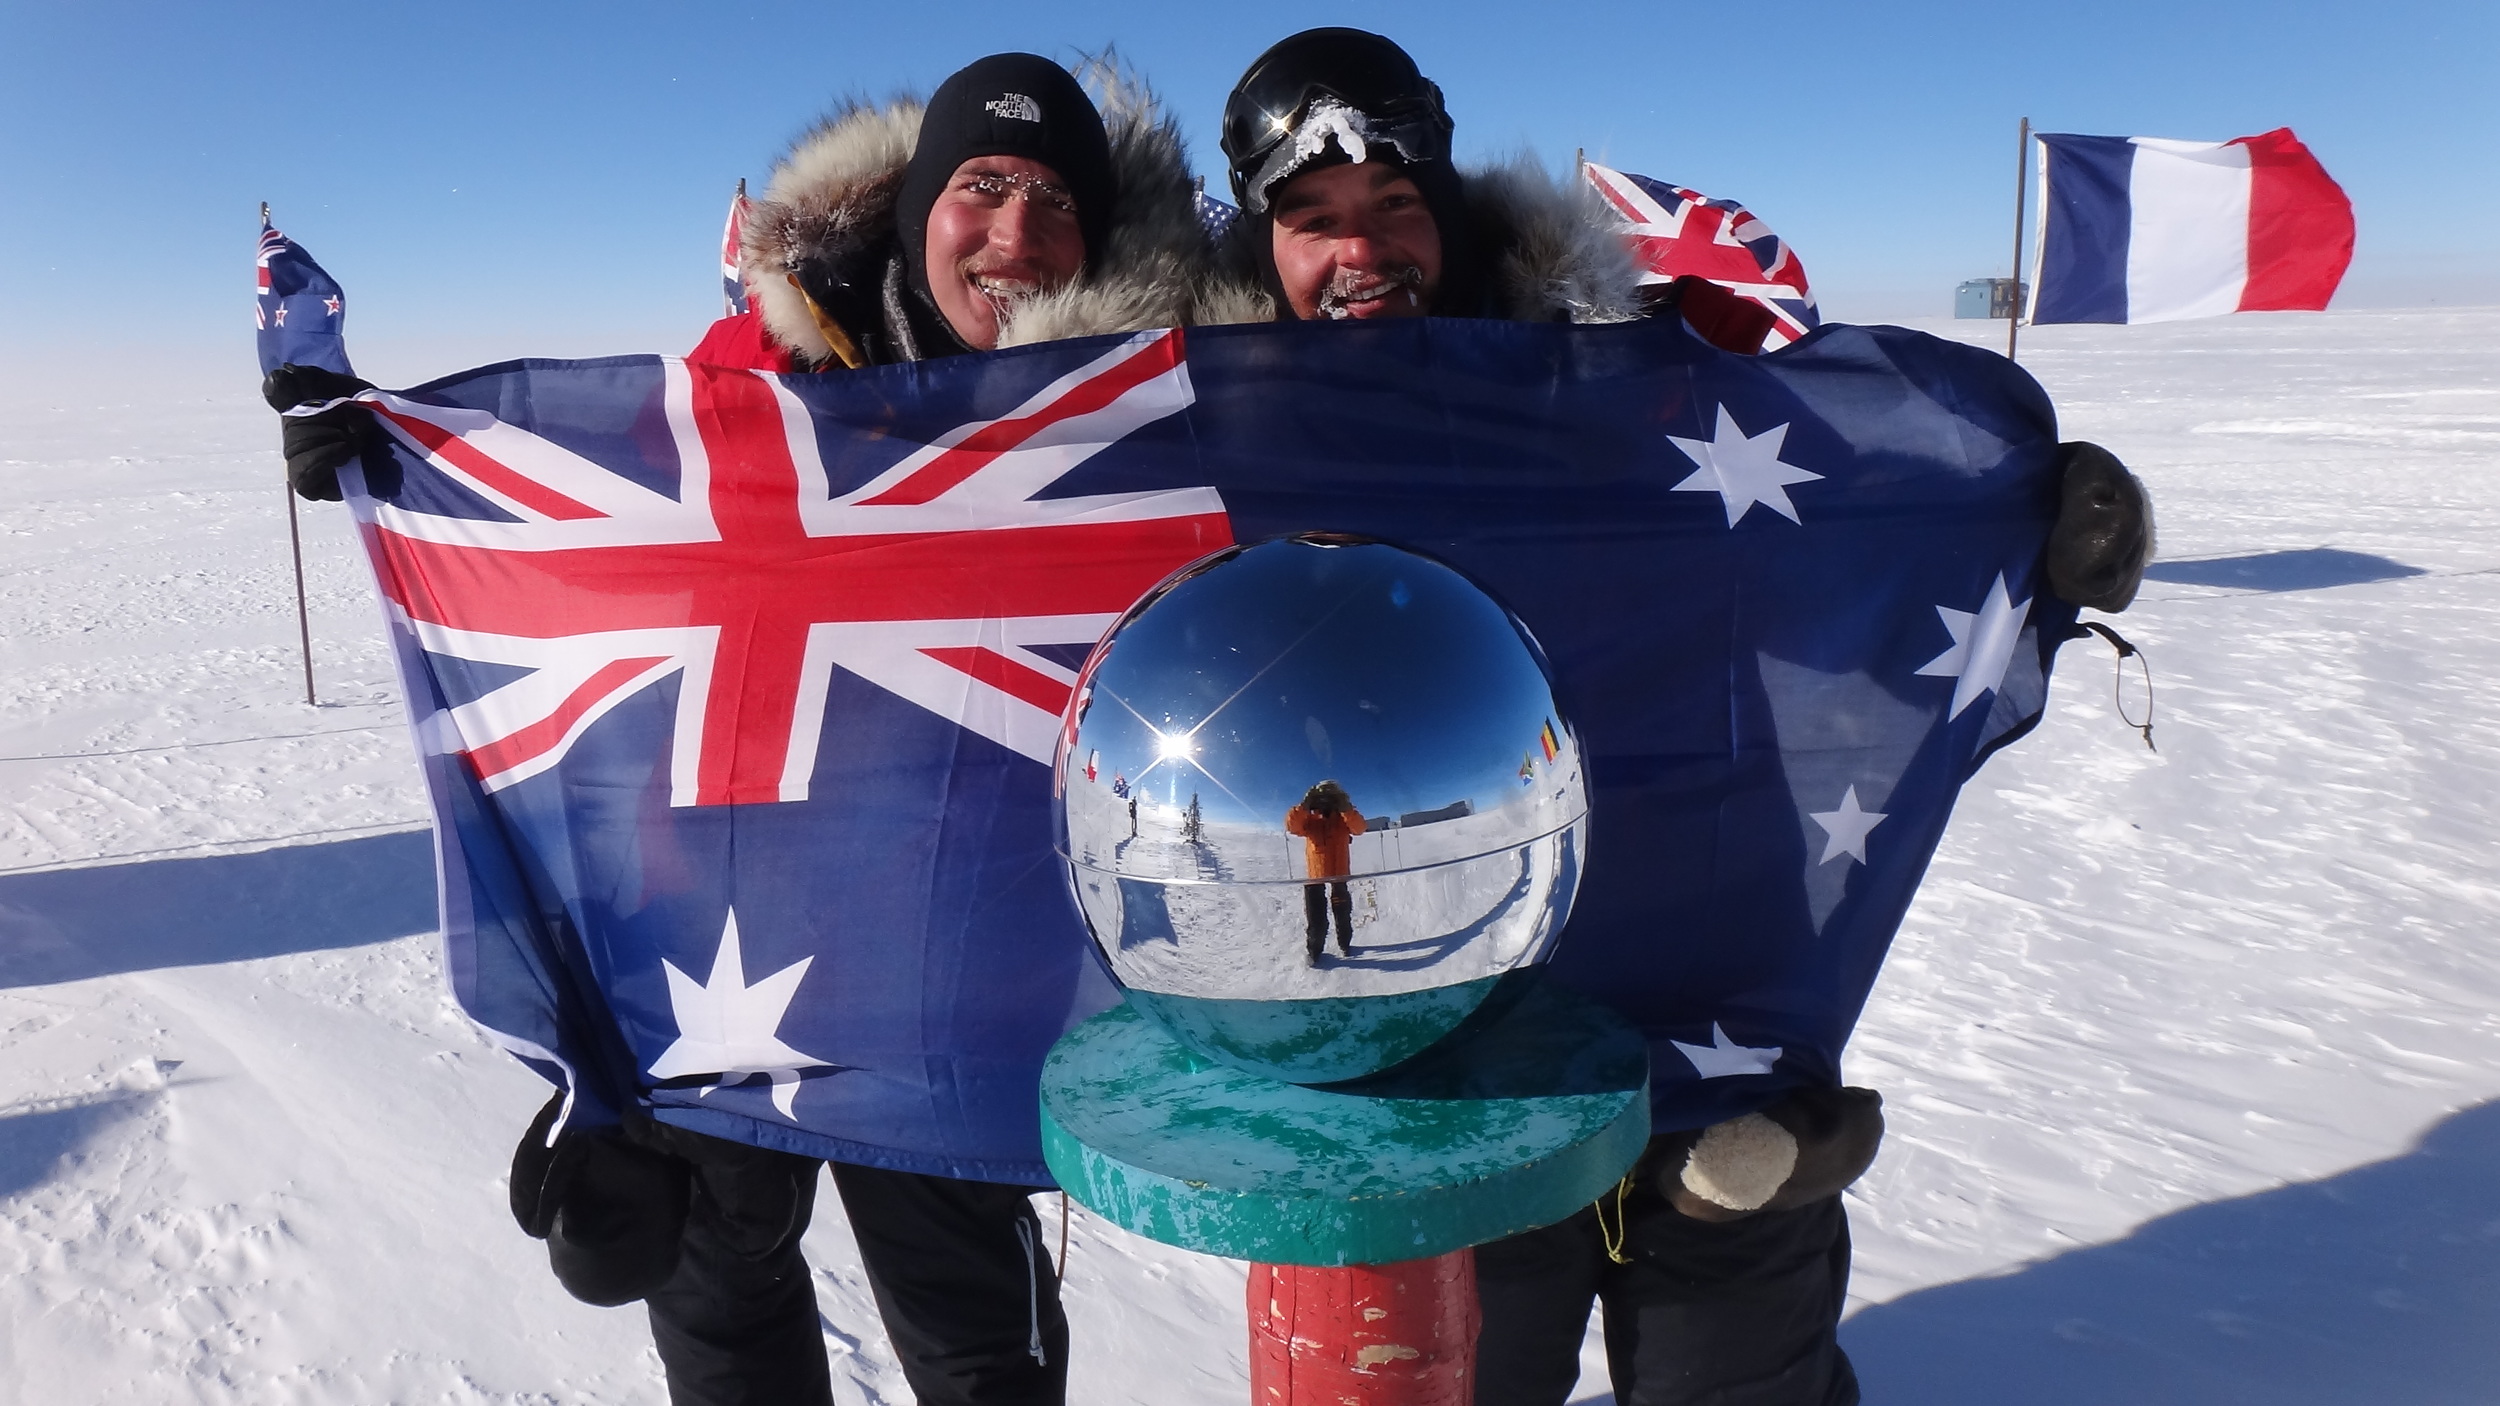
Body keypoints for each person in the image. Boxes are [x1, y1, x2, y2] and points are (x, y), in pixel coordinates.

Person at [1211, 28, 2155, 1406]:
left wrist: (2016, 529)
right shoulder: (1201, 426)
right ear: (1262, 245)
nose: (1362, 251)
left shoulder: (1627, 381)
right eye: (1316, 222)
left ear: (1451, 212)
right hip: (1425, 1060)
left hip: (1712, 996)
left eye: (1397, 207)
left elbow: (1828, 524)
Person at [265, 52, 1215, 1406]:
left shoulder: (1126, 425)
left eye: (1056, 196)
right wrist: (386, 457)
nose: (1016, 231)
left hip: (956, 962)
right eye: (983, 184)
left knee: (978, 1340)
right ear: (912, 210)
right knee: (720, 1311)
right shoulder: (748, 389)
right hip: (720, 926)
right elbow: (603, 586)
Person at [1284, 780, 1368, 962]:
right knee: (1316, 921)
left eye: (1330, 798)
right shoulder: (1309, 819)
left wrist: (1346, 808)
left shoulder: (1344, 818)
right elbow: (1292, 826)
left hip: (1339, 875)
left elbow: (1360, 828)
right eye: (1321, 798)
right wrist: (1305, 805)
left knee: (1343, 915)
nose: (1325, 802)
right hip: (1315, 877)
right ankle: (1314, 952)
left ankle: (1345, 945)